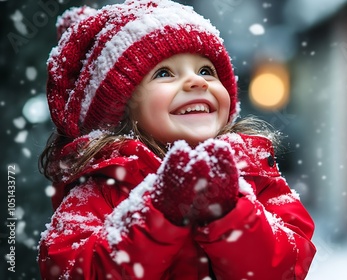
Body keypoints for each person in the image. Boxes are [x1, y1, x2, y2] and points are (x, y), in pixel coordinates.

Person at [38, 0, 316, 279]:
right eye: (164, 73)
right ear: (120, 109)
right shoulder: (102, 187)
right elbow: (71, 271)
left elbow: (287, 267)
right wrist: (157, 212)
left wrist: (230, 210)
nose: (197, 82)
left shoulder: (252, 171)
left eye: (206, 70)